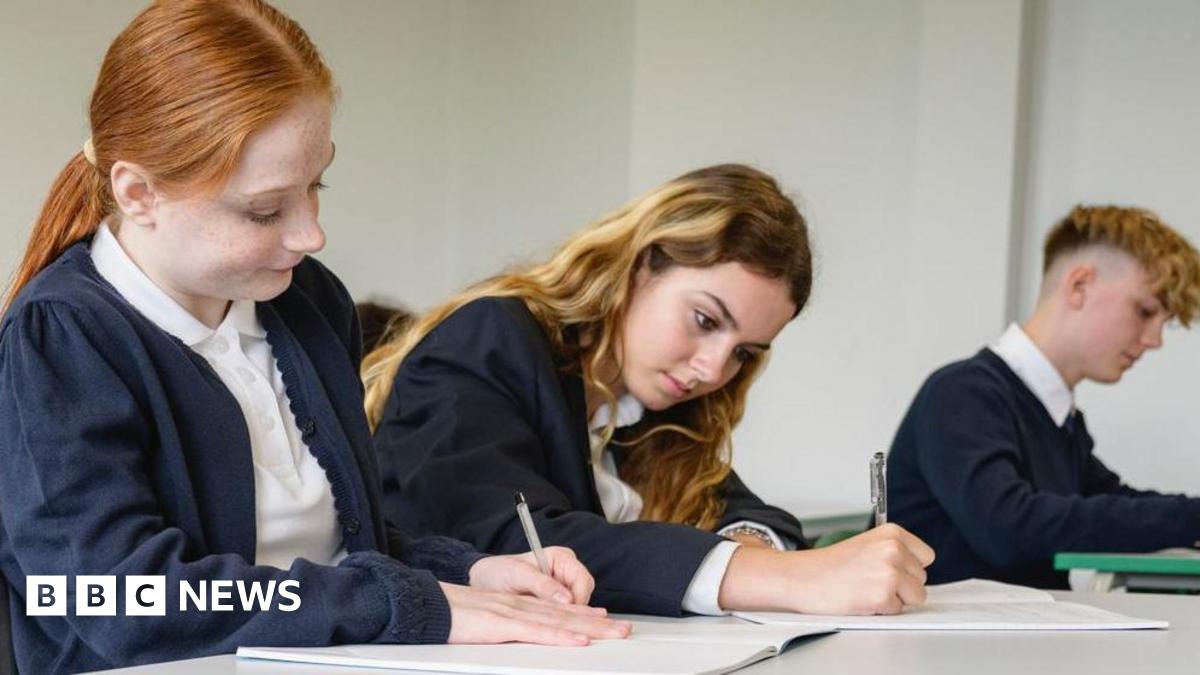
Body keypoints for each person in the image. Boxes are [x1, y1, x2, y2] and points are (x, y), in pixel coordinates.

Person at [0, 2, 625, 673]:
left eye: (315, 184)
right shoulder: (60, 337)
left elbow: (342, 550)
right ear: (139, 192)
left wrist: (470, 572)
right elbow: (114, 595)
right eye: (266, 209)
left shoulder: (308, 303)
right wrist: (411, 604)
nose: (310, 236)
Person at [364, 163, 935, 618]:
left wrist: (748, 541)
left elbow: (745, 510)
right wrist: (778, 576)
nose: (713, 369)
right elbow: (513, 540)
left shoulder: (651, 409)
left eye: (744, 352)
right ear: (639, 266)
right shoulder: (492, 338)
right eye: (706, 321)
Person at [887, 205, 1200, 588]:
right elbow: (1007, 527)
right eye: (1145, 311)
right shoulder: (963, 393)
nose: (1154, 340)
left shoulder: (1058, 417)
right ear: (1080, 285)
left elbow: (1117, 502)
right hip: (947, 643)